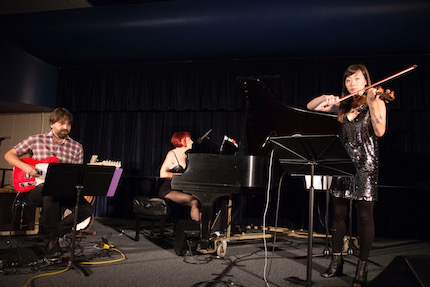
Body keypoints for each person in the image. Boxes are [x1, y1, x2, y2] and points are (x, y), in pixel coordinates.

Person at [307, 64, 386, 287]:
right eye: (348, 80)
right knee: (338, 215)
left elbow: (380, 131)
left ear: (366, 80)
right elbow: (311, 106)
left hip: (366, 166)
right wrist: (326, 97)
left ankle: (362, 267)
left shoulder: (376, 101)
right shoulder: (343, 105)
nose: (352, 84)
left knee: (364, 217)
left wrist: (371, 104)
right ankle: (336, 261)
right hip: (342, 163)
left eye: (357, 79)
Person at [4, 107, 93, 257]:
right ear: (52, 124)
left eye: (69, 124)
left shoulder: (77, 147)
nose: (66, 127)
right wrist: (26, 167)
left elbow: (77, 174)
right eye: (61, 123)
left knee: (86, 210)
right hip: (35, 188)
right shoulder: (35, 140)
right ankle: (52, 242)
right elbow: (9, 155)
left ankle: (54, 234)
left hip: (61, 189)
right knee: (50, 191)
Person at [159, 131, 201, 221]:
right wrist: (181, 175)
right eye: (189, 139)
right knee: (194, 201)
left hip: (181, 189)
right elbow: (162, 174)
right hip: (168, 189)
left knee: (201, 200)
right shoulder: (172, 154)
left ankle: (204, 228)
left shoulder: (186, 156)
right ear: (182, 140)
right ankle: (198, 229)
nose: (192, 142)